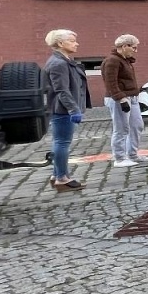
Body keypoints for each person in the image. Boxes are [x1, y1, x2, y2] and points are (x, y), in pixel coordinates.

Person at [43, 29, 88, 191]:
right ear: (60, 43)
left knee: (59, 142)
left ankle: (57, 175)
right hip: (62, 110)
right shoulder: (58, 63)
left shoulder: (64, 60)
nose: (76, 43)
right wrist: (73, 110)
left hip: (63, 109)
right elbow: (62, 90)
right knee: (62, 143)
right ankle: (62, 178)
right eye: (72, 40)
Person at [100, 34, 143, 169]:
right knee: (121, 128)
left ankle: (132, 154)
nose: (135, 51)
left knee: (137, 125)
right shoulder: (113, 61)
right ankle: (119, 158)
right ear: (125, 46)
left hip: (132, 98)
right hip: (120, 99)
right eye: (134, 48)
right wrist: (120, 98)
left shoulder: (126, 60)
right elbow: (110, 82)